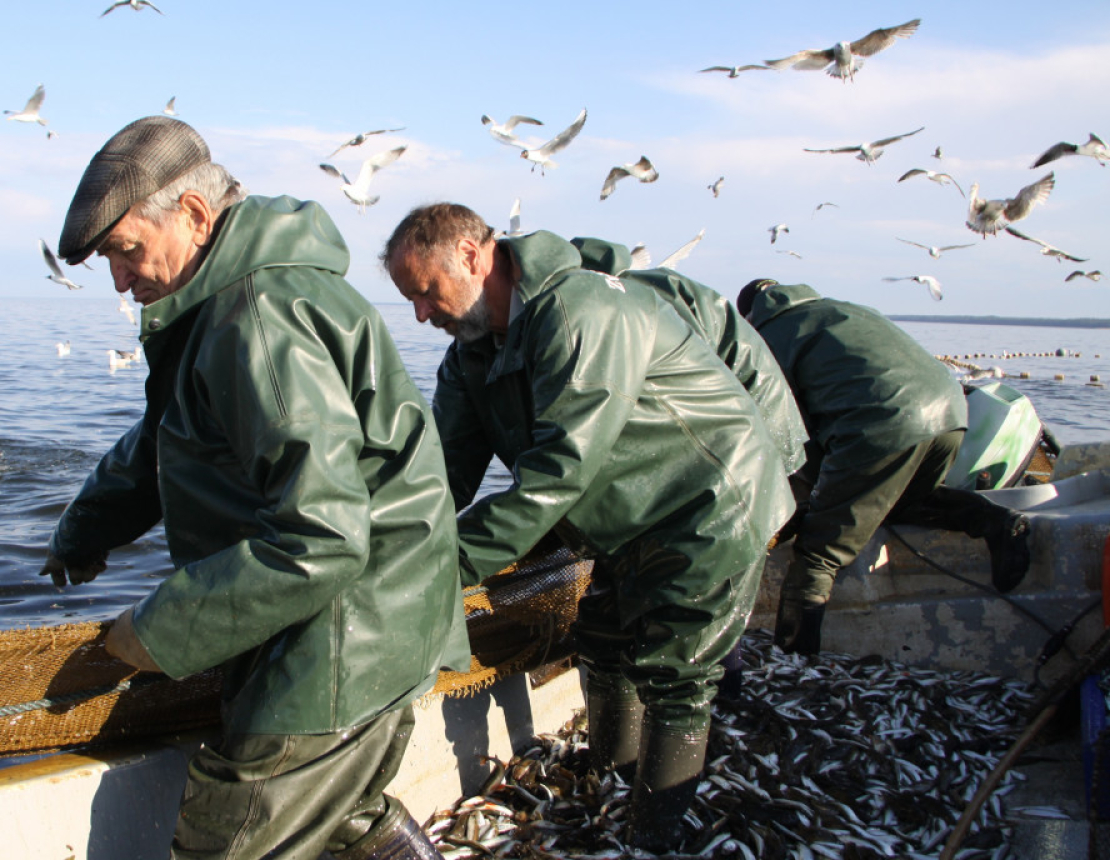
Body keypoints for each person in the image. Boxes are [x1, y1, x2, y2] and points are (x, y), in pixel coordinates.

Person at [41, 116, 469, 860]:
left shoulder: (258, 318)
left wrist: (158, 629)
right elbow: (168, 435)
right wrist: (84, 529)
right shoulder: (218, 304)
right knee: (345, 813)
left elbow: (322, 538)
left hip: (348, 634)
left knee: (228, 832)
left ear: (194, 214)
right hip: (382, 616)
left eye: (127, 251)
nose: (119, 280)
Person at [381, 203, 795, 853]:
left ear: (471, 255)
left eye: (426, 292)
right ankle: (613, 783)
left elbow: (557, 473)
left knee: (676, 671)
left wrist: (433, 572)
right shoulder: (470, 356)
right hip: (624, 515)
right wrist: (378, 544)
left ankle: (651, 838)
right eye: (410, 300)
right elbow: (441, 477)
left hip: (707, 501)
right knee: (601, 637)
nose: (419, 315)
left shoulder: (581, 312)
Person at [736, 279, 1032, 657]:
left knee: (818, 553)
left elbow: (784, 436)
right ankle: (997, 522)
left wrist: (789, 509)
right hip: (951, 413)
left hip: (882, 426)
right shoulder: (845, 308)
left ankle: (793, 659)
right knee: (900, 501)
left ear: (749, 317)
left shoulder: (765, 341)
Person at [571, 240, 810, 701]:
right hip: (728, 436)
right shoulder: (620, 304)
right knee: (663, 583)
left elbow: (702, 396)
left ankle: (724, 691)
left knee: (715, 575)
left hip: (748, 436)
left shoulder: (643, 302)